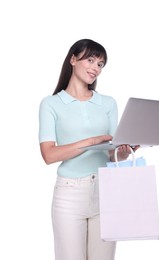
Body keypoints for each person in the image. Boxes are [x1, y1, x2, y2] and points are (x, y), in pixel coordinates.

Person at [39, 39, 139, 260]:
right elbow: (49, 155)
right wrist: (90, 142)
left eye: (101, 64)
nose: (96, 68)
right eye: (91, 60)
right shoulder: (51, 104)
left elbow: (112, 153)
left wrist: (125, 150)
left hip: (106, 190)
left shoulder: (108, 103)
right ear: (73, 59)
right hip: (69, 194)